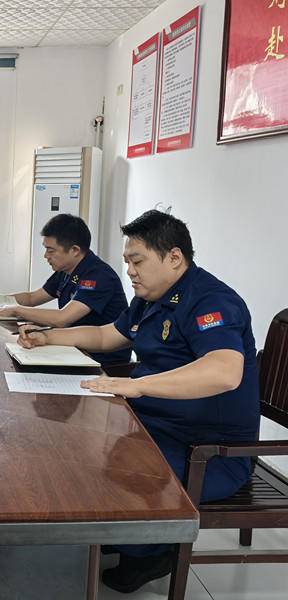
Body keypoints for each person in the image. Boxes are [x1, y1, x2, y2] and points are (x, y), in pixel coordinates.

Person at [17, 210, 259, 593]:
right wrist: (48, 337)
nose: (130, 271)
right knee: (72, 452)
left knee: (114, 473)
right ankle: (126, 535)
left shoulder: (211, 300)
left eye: (137, 261)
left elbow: (225, 371)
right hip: (152, 429)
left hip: (207, 453)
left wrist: (140, 386)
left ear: (174, 257)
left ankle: (151, 553)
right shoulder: (150, 298)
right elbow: (106, 336)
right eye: (127, 261)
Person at [0, 213, 130, 365]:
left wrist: (17, 310)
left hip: (101, 359)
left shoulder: (98, 275)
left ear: (74, 250)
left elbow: (62, 318)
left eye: (51, 251)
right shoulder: (66, 270)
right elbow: (32, 298)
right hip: (73, 346)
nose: (46, 256)